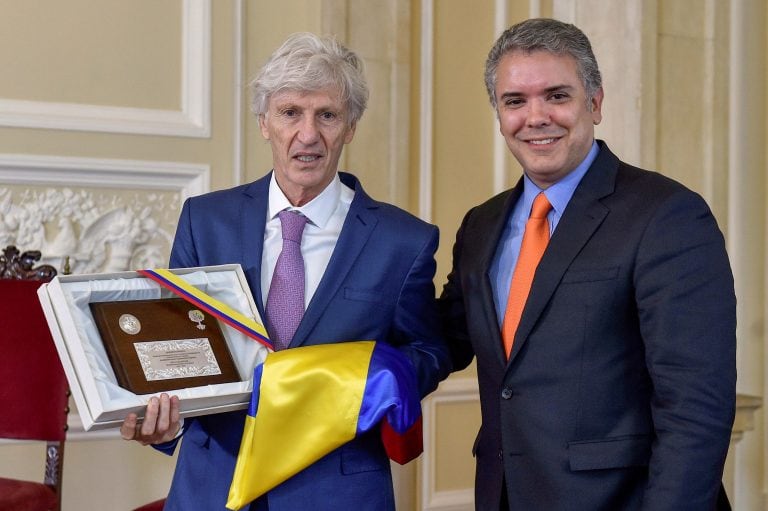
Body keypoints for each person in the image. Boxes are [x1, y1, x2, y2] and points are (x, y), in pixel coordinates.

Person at [120, 32, 451, 511]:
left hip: (337, 490)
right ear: (264, 122)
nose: (309, 134)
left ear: (351, 126)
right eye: (290, 112)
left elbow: (428, 351)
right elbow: (177, 347)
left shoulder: (403, 241)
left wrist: (381, 375)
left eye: (328, 115)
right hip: (213, 483)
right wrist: (163, 421)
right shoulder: (205, 219)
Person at [438, 18, 736, 510]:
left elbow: (695, 410)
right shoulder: (481, 226)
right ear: (498, 113)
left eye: (557, 96)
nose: (535, 117)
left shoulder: (667, 215)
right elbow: (444, 337)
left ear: (594, 104)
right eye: (515, 101)